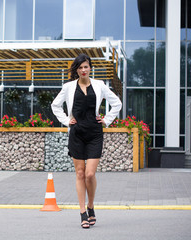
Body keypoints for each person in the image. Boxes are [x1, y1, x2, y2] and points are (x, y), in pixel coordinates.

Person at [51, 54, 122, 229]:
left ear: (90, 68)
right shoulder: (68, 87)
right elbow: (55, 105)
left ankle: (91, 205)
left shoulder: (99, 85)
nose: (84, 70)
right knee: (80, 173)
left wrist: (107, 119)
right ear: (76, 70)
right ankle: (83, 211)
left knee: (90, 174)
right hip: (77, 133)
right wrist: (67, 121)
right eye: (80, 67)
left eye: (86, 66)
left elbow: (117, 103)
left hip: (94, 133)